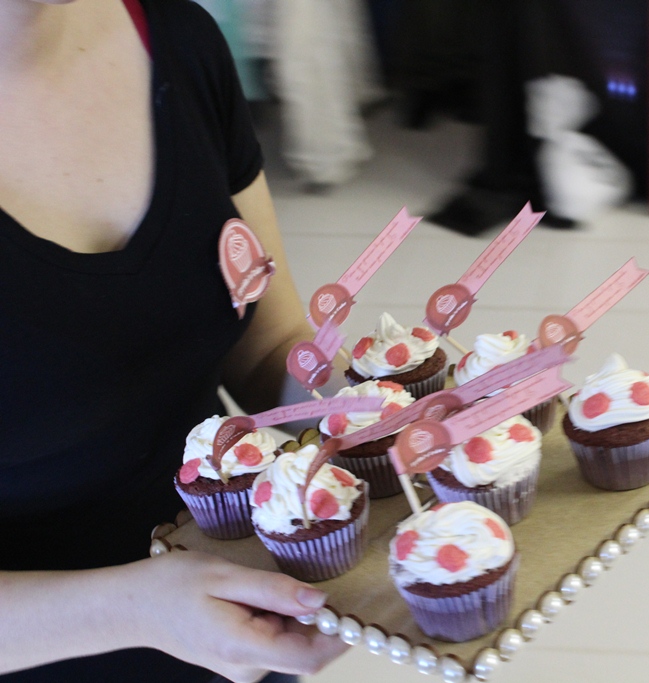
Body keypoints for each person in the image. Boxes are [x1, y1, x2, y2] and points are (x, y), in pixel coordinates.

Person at [0, 0, 349, 681]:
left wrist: (361, 411)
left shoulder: (178, 40)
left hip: (237, 616)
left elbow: (265, 341)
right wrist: (136, 611)